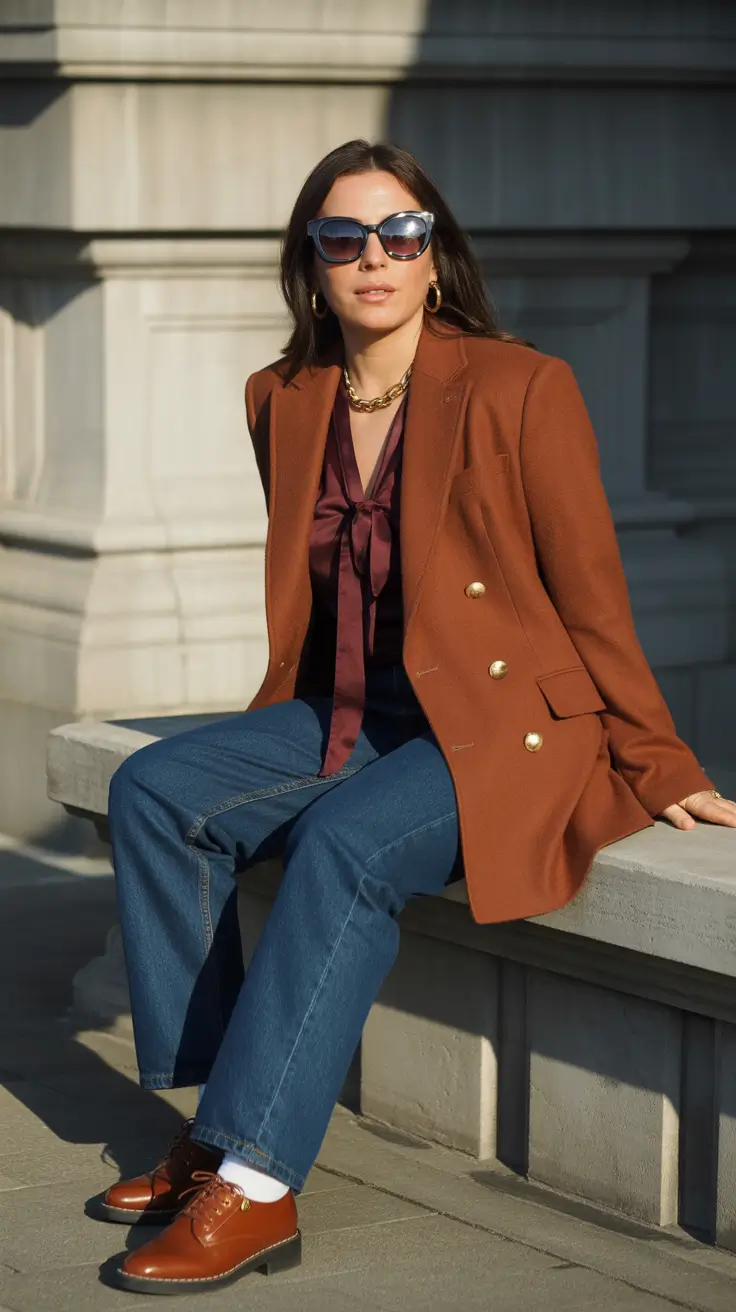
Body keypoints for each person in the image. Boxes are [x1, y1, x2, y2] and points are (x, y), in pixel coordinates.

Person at [93, 139, 736, 1295]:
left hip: (503, 725)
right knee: (155, 792)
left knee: (343, 850)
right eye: (344, 238)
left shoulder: (520, 385)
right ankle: (214, 1126)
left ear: (436, 258)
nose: (374, 257)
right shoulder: (281, 398)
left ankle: (257, 1183)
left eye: (401, 234)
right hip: (350, 711)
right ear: (313, 265)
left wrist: (656, 755)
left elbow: (591, 593)